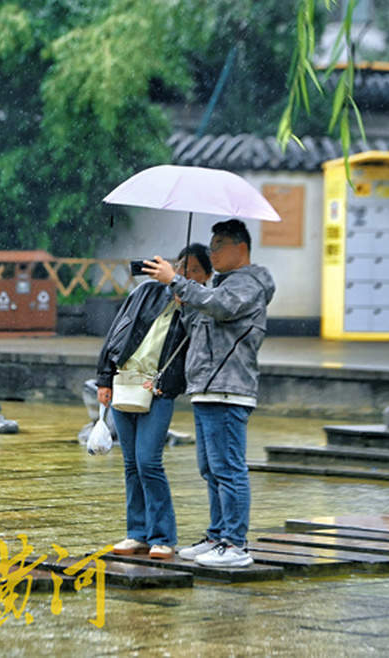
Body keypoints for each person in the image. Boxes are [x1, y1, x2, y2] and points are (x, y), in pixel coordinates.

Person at [143, 219, 275, 568]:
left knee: (228, 468)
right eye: (211, 245)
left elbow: (222, 308)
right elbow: (200, 327)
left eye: (218, 246)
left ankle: (235, 544)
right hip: (206, 388)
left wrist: (177, 281)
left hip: (227, 388)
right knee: (211, 468)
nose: (212, 253)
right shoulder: (222, 286)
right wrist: (184, 299)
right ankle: (217, 535)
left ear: (240, 248)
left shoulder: (248, 284)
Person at [96, 244, 213, 559]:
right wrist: (104, 378)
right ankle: (137, 533)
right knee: (131, 464)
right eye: (182, 267)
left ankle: (163, 536)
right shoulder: (147, 292)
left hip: (159, 390)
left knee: (148, 461)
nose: (185, 274)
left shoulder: (203, 307)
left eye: (194, 271)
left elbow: (198, 353)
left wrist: (188, 306)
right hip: (125, 382)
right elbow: (117, 333)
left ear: (206, 276)